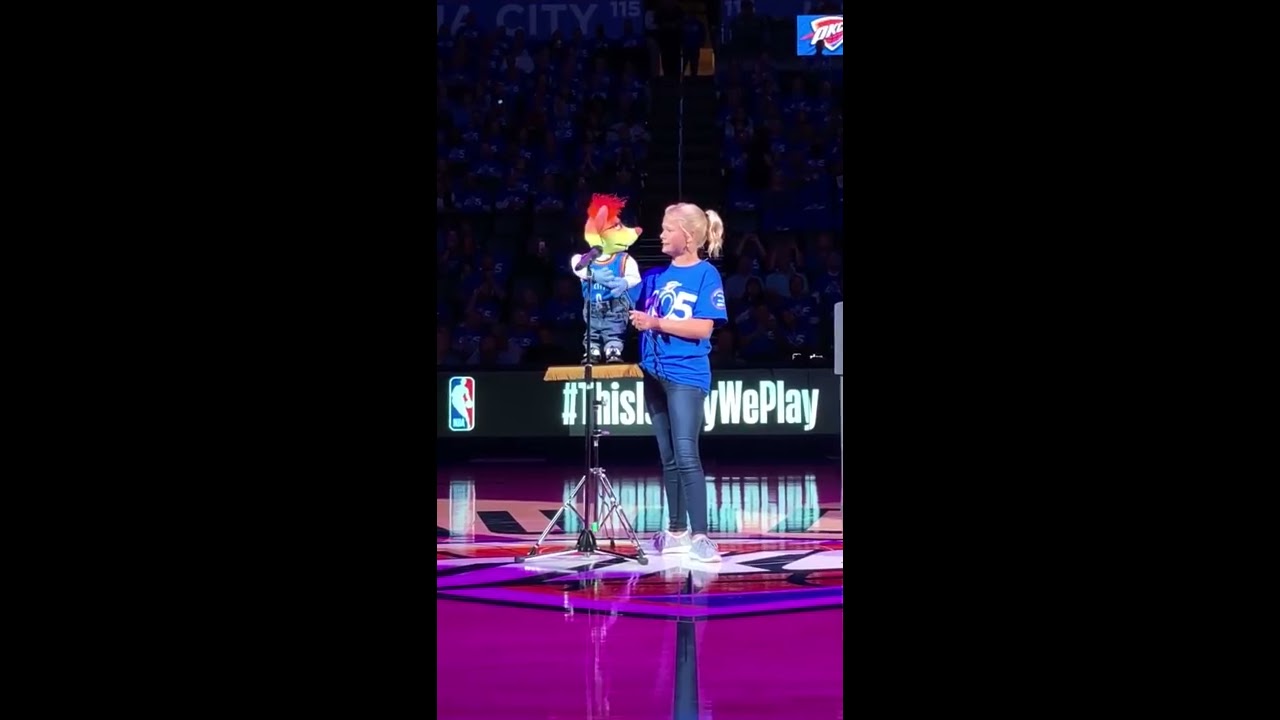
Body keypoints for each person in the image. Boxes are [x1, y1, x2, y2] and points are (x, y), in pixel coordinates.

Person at [628, 202, 728, 562]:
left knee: (687, 454)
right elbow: (623, 302)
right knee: (668, 457)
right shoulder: (654, 276)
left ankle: (701, 535)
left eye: (668, 229)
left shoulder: (705, 275)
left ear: (687, 236)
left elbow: (703, 328)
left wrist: (656, 323)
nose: (661, 235)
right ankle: (676, 531)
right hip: (653, 374)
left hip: (686, 375)